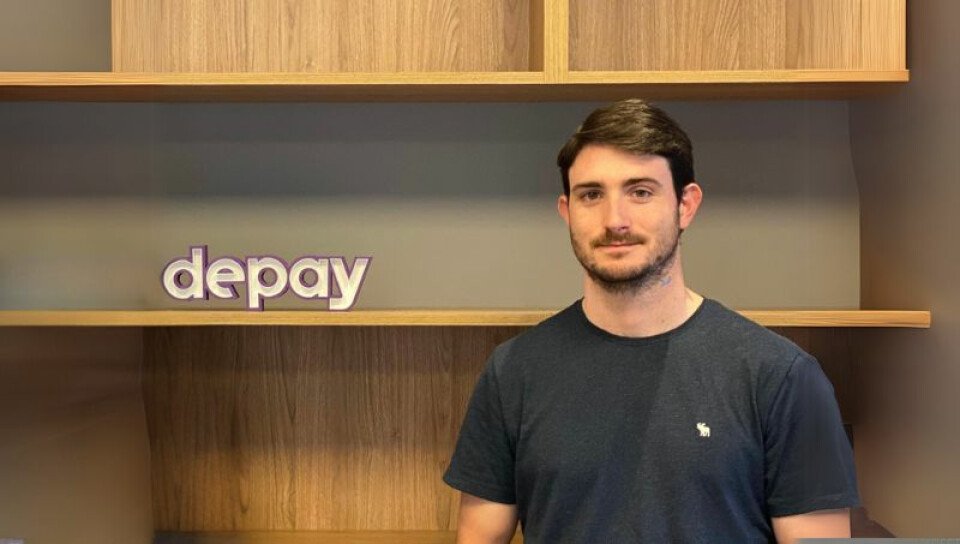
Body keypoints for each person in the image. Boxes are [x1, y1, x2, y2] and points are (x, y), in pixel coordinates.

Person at [442, 98, 860, 543]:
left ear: (686, 205)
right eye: (591, 195)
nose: (614, 220)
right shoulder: (513, 373)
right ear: (567, 211)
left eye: (640, 192)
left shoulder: (782, 377)